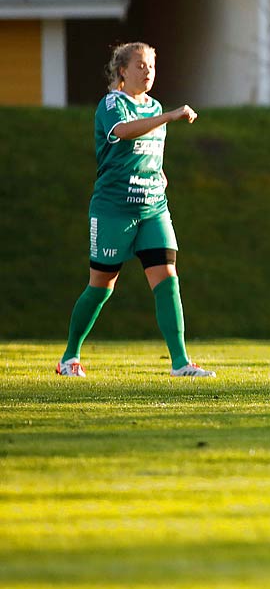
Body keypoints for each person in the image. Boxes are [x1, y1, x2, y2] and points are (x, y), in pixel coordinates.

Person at [56, 43, 214, 379]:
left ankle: (180, 363)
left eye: (152, 66)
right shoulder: (112, 104)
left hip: (153, 208)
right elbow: (123, 133)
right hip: (114, 209)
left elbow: (150, 152)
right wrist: (171, 115)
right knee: (102, 285)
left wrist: (159, 176)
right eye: (140, 65)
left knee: (168, 279)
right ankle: (69, 358)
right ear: (122, 71)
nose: (147, 71)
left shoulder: (153, 105)